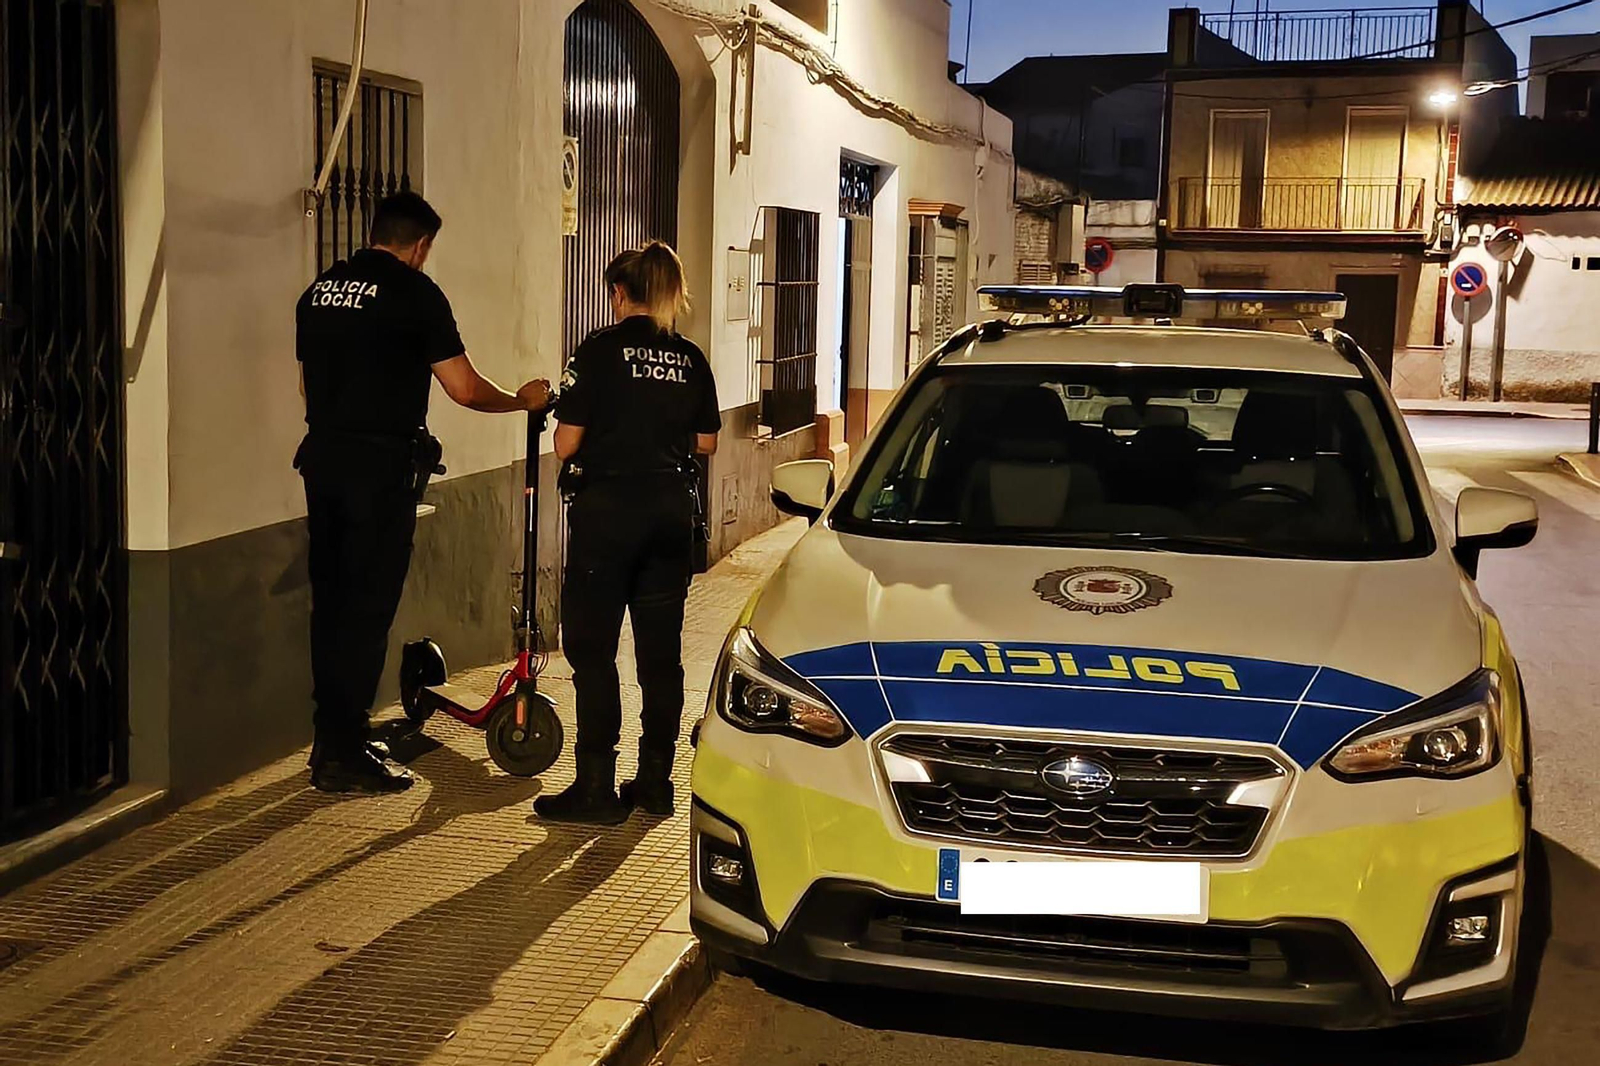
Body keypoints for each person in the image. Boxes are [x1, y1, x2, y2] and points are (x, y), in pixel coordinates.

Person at [296, 191, 551, 794]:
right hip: (378, 474)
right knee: (366, 608)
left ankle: (330, 738)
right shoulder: (415, 295)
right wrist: (521, 400)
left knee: (330, 605)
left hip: (324, 462)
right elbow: (462, 387)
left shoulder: (318, 292)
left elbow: (307, 388)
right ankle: (343, 752)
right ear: (420, 245)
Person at [534, 242, 720, 824]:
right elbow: (708, 442)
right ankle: (656, 784)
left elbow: (565, 442)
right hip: (668, 518)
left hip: (607, 519)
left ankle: (595, 784)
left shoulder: (598, 352)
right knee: (660, 659)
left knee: (593, 652)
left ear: (619, 292)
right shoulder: (689, 357)